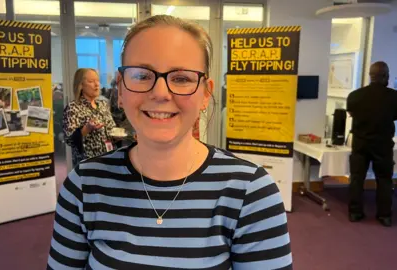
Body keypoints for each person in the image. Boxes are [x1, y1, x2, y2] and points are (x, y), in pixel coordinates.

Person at [48, 15, 292, 269]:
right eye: (142, 75)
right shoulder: (83, 186)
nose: (161, 93)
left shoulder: (251, 192)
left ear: (206, 94)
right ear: (120, 90)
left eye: (182, 78)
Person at [346, 61, 397, 227]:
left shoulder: (355, 95)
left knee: (357, 178)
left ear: (370, 76)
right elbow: (396, 115)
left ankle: (355, 213)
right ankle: (384, 216)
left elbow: (351, 112)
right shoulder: (396, 97)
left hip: (361, 142)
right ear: (386, 76)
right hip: (383, 144)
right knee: (384, 180)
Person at [62, 68, 117, 166]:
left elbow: (111, 129)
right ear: (81, 85)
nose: (97, 84)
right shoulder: (73, 108)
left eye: (97, 81)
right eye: (91, 81)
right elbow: (69, 139)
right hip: (88, 164)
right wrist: (86, 129)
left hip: (109, 160)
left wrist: (118, 136)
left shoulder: (103, 104)